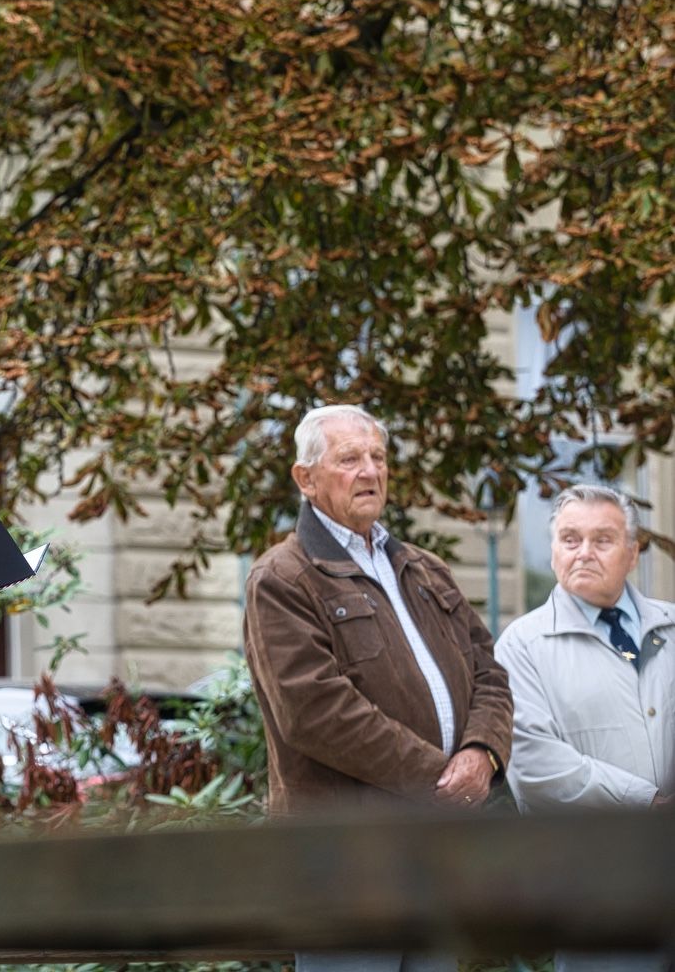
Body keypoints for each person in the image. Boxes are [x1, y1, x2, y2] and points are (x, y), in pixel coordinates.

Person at [242, 404, 514, 972]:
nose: (370, 471)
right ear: (306, 479)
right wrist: (439, 777)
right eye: (349, 459)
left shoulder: (425, 568)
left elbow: (489, 671)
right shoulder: (284, 577)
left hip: (434, 850)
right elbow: (315, 712)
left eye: (377, 457)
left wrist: (482, 752)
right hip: (346, 864)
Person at [495, 484, 674, 972]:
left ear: (633, 554)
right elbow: (533, 763)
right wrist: (650, 804)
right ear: (553, 551)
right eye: (570, 539)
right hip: (594, 883)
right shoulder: (521, 646)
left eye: (603, 539)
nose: (584, 553)